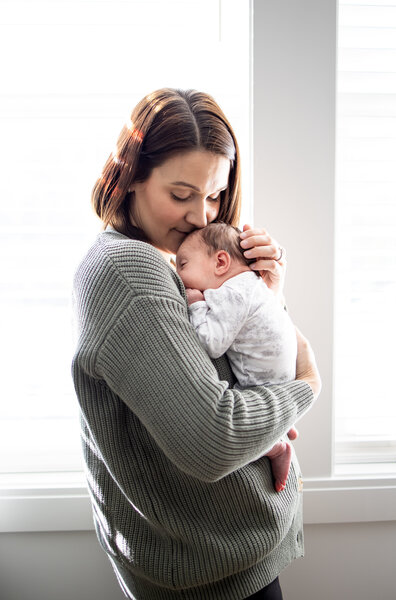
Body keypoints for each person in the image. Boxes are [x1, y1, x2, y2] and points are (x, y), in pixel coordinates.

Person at [72, 88, 321, 600]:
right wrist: (308, 385)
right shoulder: (128, 270)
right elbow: (215, 439)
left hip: (228, 558)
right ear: (131, 177)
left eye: (214, 195)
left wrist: (262, 295)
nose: (202, 217)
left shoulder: (164, 261)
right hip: (209, 577)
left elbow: (234, 368)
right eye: (181, 194)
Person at [175, 222, 299, 493]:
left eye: (182, 265)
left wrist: (196, 305)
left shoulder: (231, 292)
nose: (178, 277)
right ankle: (280, 429)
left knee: (228, 439)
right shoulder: (253, 285)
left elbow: (210, 344)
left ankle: (275, 447)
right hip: (281, 380)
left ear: (221, 262)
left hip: (260, 387)